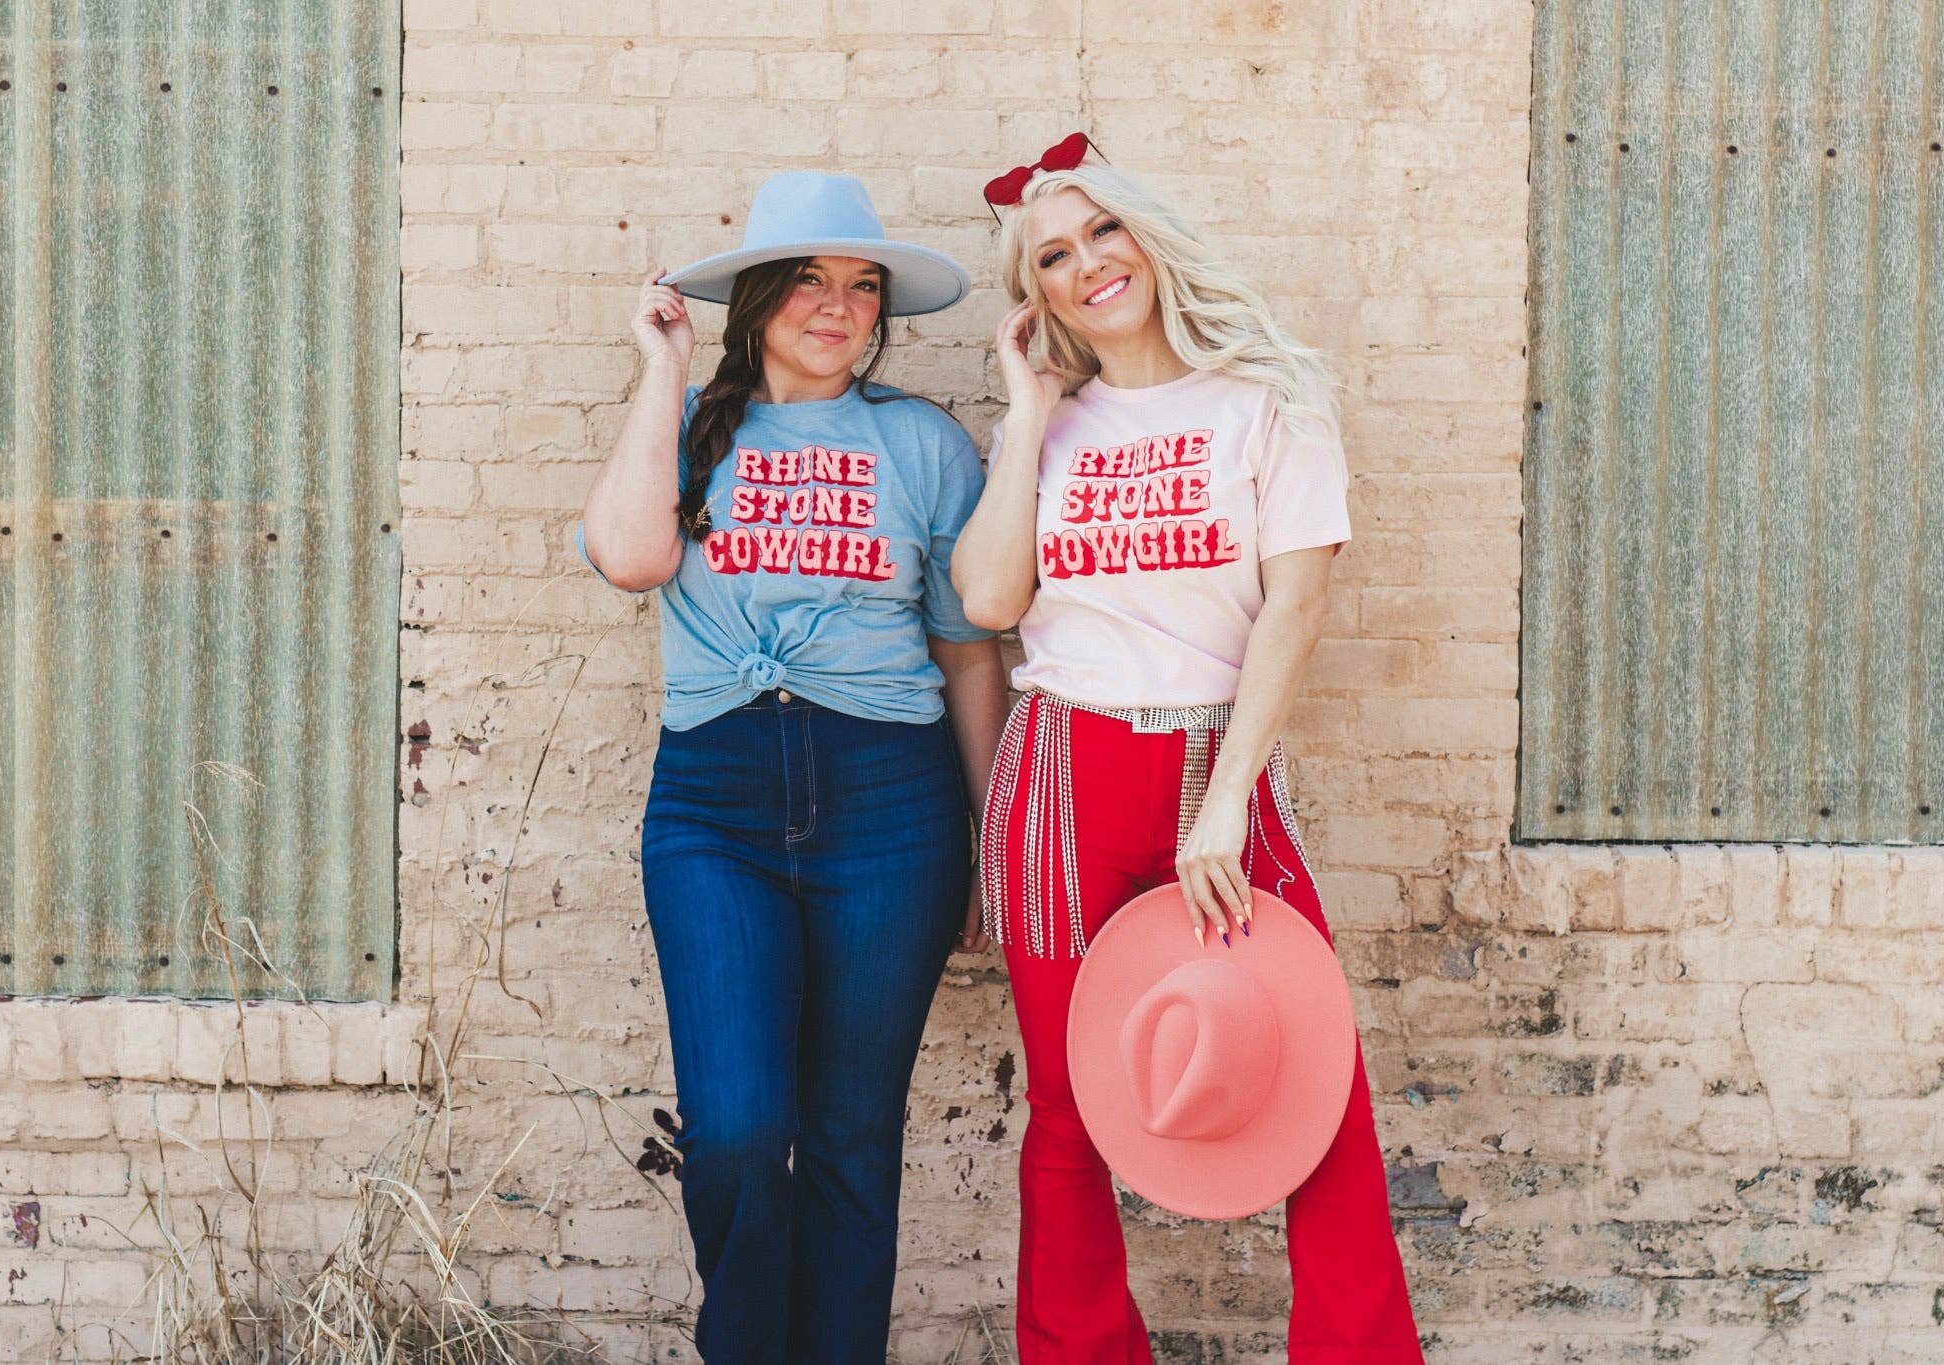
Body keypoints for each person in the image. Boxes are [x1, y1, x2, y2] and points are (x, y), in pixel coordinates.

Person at [952, 142, 1425, 1362]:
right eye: (1053, 257)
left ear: (1146, 237)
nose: (1087, 265)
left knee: (1318, 1088)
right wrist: (1023, 414)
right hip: (1058, 779)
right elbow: (992, 601)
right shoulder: (1048, 428)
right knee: (1065, 1115)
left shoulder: (1267, 399)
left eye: (1101, 233)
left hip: (1219, 777)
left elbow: (1294, 610)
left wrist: (1220, 807)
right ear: (1038, 294)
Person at [576, 171, 1008, 1364]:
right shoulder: (697, 423)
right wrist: (662, 371)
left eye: (862, 285)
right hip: (713, 808)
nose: (839, 306)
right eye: (811, 281)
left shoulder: (919, 442)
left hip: (893, 808)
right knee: (736, 1130)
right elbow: (625, 557)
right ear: (759, 296)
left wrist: (981, 841)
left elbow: (968, 655)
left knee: (851, 1143)